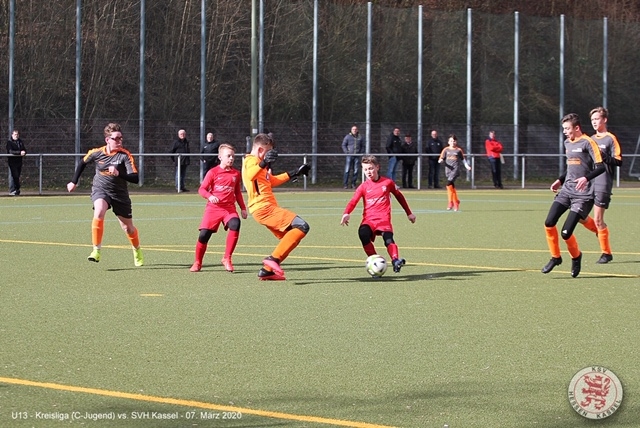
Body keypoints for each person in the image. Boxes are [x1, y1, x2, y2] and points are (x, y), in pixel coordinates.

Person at [66, 123, 144, 267]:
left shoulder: (125, 155)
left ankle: (137, 249)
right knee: (99, 211)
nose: (119, 141)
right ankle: (96, 250)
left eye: (121, 138)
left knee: (128, 228)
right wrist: (73, 181)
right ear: (107, 140)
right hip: (101, 189)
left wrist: (119, 174)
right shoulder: (96, 153)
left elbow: (135, 178)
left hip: (119, 194)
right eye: (116, 138)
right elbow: (82, 163)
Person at [541, 113, 605, 278]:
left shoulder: (588, 142)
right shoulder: (567, 143)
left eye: (567, 128)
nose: (565, 131)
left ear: (577, 128)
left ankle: (576, 257)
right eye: (563, 129)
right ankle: (555, 257)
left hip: (583, 195)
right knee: (549, 222)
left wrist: (586, 178)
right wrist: (560, 180)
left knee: (566, 233)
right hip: (567, 191)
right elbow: (571, 168)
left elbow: (601, 167)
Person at [241, 133, 311, 280]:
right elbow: (250, 175)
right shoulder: (251, 160)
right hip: (263, 208)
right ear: (260, 150)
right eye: (268, 152)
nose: (269, 156)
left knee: (291, 236)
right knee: (302, 226)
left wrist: (294, 172)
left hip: (265, 208)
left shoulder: (260, 165)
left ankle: (267, 271)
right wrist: (264, 162)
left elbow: (271, 181)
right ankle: (273, 259)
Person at [340, 155, 416, 273]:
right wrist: (346, 213)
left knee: (388, 239)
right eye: (365, 169)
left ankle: (395, 260)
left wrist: (409, 213)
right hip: (369, 220)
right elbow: (353, 201)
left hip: (383, 220)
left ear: (377, 167)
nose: (368, 172)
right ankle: (375, 260)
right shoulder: (363, 187)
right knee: (363, 233)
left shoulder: (387, 183)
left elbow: (399, 197)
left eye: (371, 168)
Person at [190, 144, 247, 273]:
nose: (231, 158)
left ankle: (227, 258)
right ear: (220, 157)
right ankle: (197, 262)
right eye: (228, 156)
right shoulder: (213, 172)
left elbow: (237, 192)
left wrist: (243, 208)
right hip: (213, 209)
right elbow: (202, 189)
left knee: (235, 224)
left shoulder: (236, 173)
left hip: (229, 209)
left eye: (233, 156)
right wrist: (210, 196)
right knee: (204, 235)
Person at [578, 107, 622, 264]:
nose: (594, 122)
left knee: (598, 219)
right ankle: (601, 232)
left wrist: (603, 156)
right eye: (592, 120)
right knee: (579, 216)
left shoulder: (610, 139)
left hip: (603, 183)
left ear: (604, 120)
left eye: (597, 119)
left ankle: (606, 253)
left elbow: (618, 161)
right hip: (588, 182)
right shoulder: (590, 139)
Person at [438, 134, 471, 211]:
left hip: (455, 170)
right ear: (448, 142)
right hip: (448, 170)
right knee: (451, 186)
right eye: (451, 141)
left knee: (448, 184)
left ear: (456, 142)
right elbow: (441, 158)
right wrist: (440, 160)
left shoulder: (458, 150)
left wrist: (467, 166)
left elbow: (463, 159)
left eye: (454, 141)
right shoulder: (446, 150)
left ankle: (450, 202)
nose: (453, 142)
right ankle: (456, 201)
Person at [6, 129, 27, 196]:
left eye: (17, 134)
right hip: (12, 162)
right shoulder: (9, 142)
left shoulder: (20, 142)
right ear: (12, 135)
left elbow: (24, 149)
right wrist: (19, 152)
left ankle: (16, 190)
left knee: (17, 176)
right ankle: (13, 190)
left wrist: (24, 152)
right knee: (15, 175)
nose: (16, 136)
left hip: (19, 161)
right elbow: (10, 151)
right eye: (15, 134)